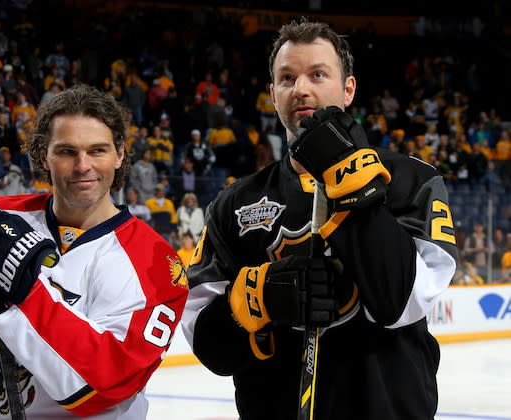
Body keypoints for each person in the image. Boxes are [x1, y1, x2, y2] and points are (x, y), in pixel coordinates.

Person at [181, 18, 458, 420]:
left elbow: (400, 302)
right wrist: (254, 301)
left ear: (348, 90)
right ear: (273, 94)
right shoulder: (234, 203)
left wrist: (353, 189)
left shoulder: (411, 180)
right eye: (287, 78)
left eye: (318, 74)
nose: (302, 89)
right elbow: (211, 347)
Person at [0, 84, 188, 419]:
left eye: (97, 150)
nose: (83, 165)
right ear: (44, 156)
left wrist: (27, 290)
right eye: (67, 151)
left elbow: (102, 387)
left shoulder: (156, 262)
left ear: (119, 154)